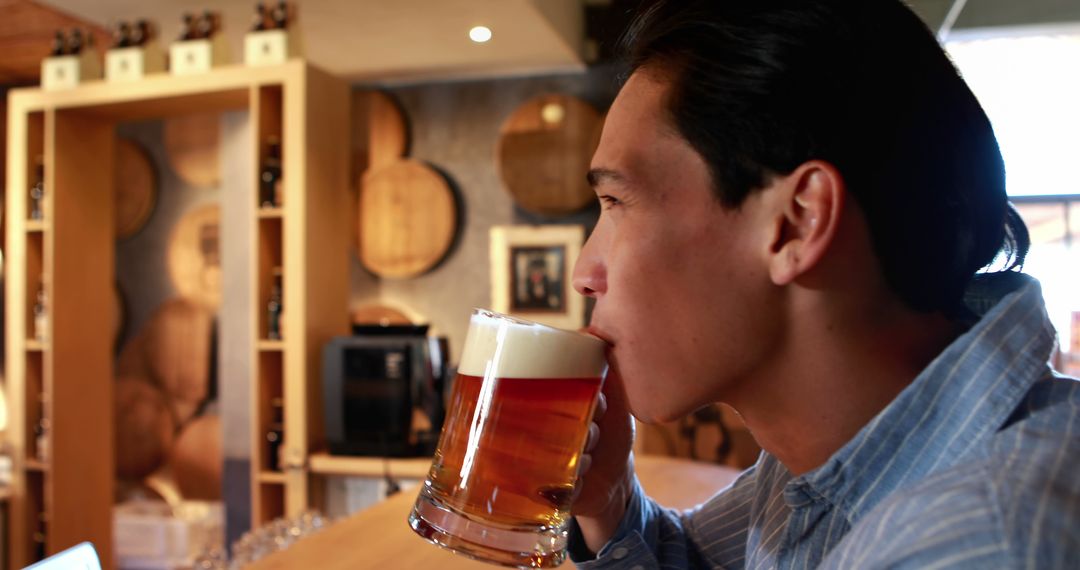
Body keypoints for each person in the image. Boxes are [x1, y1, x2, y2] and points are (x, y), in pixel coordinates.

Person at [568, 0, 1080, 568]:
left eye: (617, 202)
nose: (583, 275)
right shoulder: (834, 450)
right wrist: (610, 501)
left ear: (798, 223)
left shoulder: (979, 544)